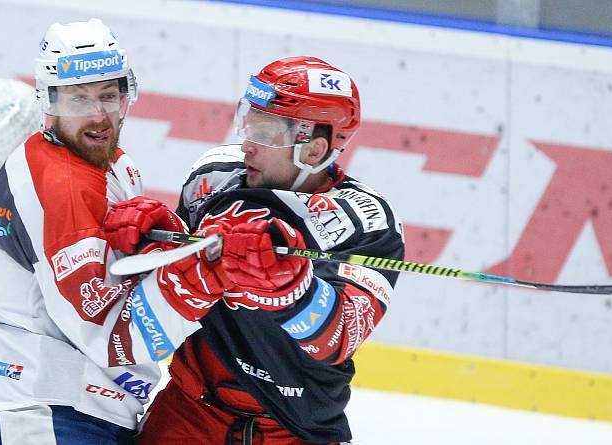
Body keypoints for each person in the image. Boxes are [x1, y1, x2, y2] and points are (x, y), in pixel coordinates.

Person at [105, 56, 405, 444]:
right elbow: (176, 274)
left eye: (266, 132)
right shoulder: (213, 177)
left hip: (294, 430)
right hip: (190, 414)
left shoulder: (366, 220)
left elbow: (342, 336)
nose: (247, 144)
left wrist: (290, 292)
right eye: (249, 121)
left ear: (313, 150)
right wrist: (160, 238)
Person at [0, 19, 202, 444]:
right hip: (40, 404)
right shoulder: (63, 185)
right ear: (49, 102)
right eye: (78, 99)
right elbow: (107, 333)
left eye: (108, 95)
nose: (99, 114)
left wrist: (170, 240)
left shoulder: (111, 164)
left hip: (65, 399)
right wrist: (203, 275)